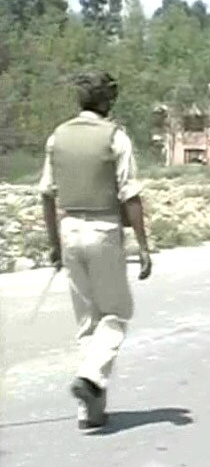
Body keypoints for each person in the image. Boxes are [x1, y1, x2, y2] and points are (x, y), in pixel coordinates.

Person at [38, 70, 152, 430]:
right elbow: (129, 194)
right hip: (103, 228)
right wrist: (144, 247)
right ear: (107, 99)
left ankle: (90, 412)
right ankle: (90, 378)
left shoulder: (58, 136)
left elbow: (46, 193)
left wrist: (55, 245)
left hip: (68, 227)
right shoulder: (115, 137)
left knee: (87, 322)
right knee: (116, 314)